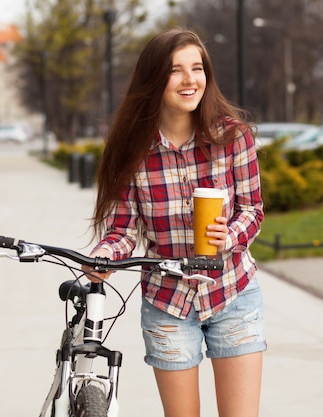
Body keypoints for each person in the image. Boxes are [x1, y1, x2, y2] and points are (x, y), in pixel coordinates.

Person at [84, 28, 265, 417]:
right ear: (154, 78)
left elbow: (252, 210)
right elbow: (121, 230)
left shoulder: (233, 137)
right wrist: (102, 257)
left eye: (197, 68)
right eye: (175, 70)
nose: (190, 80)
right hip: (167, 303)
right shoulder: (131, 149)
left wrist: (228, 235)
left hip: (233, 293)